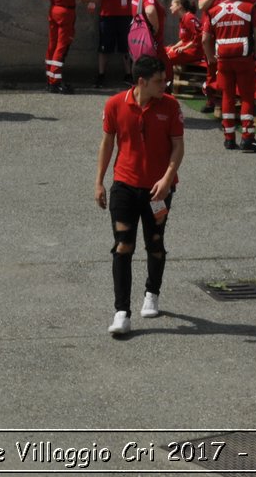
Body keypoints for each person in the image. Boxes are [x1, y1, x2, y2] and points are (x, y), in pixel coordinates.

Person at [95, 55, 184, 337]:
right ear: (142, 81)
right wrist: (98, 182)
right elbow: (108, 143)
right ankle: (121, 312)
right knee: (123, 245)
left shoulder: (170, 106)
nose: (165, 85)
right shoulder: (115, 105)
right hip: (124, 185)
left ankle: (152, 293)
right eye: (159, 81)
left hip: (159, 189)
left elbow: (178, 147)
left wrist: (167, 179)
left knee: (155, 243)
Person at [203, 0, 256, 152]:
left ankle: (229, 137)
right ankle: (247, 137)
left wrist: (210, 57)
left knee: (227, 96)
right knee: (247, 97)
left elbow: (205, 39)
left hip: (223, 60)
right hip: (244, 58)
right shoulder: (249, 8)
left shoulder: (212, 12)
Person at [34, 0, 93, 93]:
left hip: (53, 9)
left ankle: (49, 79)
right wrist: (93, 0)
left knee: (52, 45)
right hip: (66, 12)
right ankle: (56, 82)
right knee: (62, 46)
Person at [194, 0, 232, 110]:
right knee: (211, 69)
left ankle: (226, 101)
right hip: (210, 35)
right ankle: (210, 100)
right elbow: (202, 6)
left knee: (226, 69)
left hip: (227, 35)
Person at [130, 0, 169, 80]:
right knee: (163, 75)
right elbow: (150, 11)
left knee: (143, 72)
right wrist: (155, 27)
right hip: (152, 42)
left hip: (140, 40)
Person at [163, 0, 204, 76]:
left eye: (172, 5)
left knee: (165, 58)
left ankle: (166, 82)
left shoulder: (189, 18)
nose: (170, 7)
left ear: (179, 6)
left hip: (194, 52)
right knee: (162, 51)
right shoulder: (182, 19)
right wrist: (174, 47)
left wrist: (184, 48)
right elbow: (184, 40)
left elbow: (199, 38)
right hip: (185, 50)